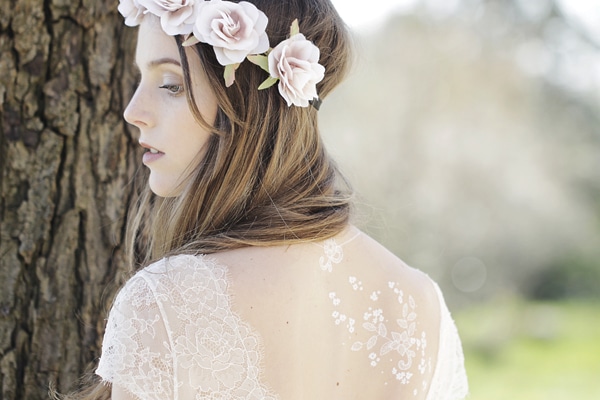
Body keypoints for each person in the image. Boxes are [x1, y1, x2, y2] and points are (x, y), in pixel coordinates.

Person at [71, 0, 469, 398]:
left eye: (171, 84)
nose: (133, 111)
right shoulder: (422, 304)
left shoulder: (166, 304)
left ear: (250, 98)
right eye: (139, 79)